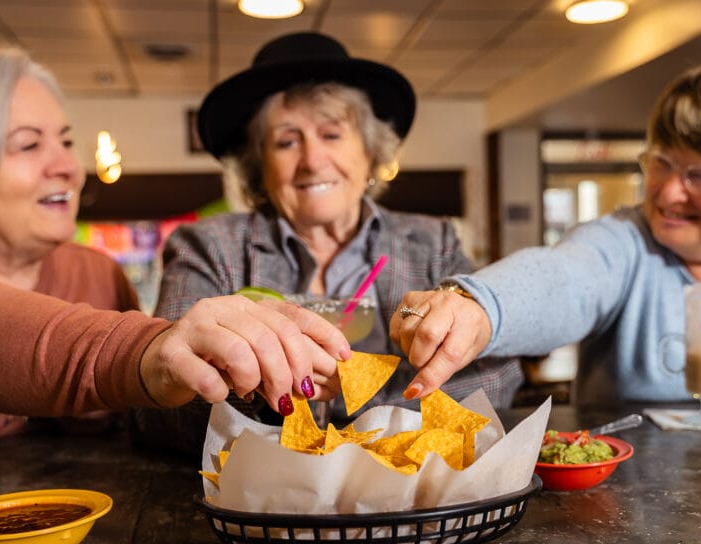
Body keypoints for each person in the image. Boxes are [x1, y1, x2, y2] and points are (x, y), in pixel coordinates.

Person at [0, 45, 350, 451]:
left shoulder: (93, 276)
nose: (69, 169)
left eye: (66, 142)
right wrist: (143, 351)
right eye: (28, 146)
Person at [391, 56, 701, 405]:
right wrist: (479, 310)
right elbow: (566, 276)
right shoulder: (627, 239)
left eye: (700, 177)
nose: (667, 193)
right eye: (660, 164)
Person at [131, 32, 522, 454]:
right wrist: (265, 388)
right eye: (286, 141)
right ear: (259, 166)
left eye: (332, 135)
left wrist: (359, 412)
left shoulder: (433, 242)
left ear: (369, 153)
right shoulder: (208, 248)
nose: (313, 160)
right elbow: (158, 414)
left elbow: (497, 379)